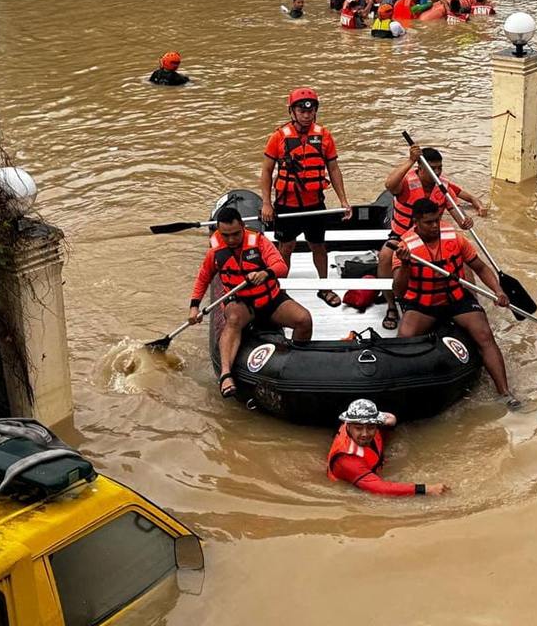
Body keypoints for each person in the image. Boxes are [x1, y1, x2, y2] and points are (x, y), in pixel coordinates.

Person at [393, 198, 515, 402]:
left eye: (436, 220)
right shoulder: (404, 246)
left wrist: (498, 291)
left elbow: (481, 268)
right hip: (424, 303)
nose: (435, 226)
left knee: (484, 335)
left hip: (456, 299)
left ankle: (505, 393)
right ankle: (404, 395)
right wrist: (405, 265)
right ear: (416, 222)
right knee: (404, 341)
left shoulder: (455, 239)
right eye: (429, 222)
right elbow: (398, 289)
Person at [189, 207, 313, 398]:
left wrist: (265, 273)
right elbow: (203, 278)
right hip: (241, 302)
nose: (231, 240)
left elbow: (280, 266)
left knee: (303, 319)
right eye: (226, 235)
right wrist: (194, 306)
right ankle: (226, 375)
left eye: (236, 234)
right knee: (233, 319)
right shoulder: (215, 251)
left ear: (243, 227)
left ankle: (297, 363)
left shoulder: (259, 242)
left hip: (270, 300)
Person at [259, 88, 353, 308]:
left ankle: (325, 287)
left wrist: (343, 200)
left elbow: (334, 169)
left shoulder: (325, 136)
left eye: (311, 110)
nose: (306, 114)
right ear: (292, 112)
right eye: (301, 109)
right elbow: (266, 171)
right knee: (286, 247)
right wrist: (266, 203)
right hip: (287, 205)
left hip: (314, 204)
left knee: (319, 246)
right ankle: (280, 290)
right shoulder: (278, 137)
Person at [376, 144, 486, 330]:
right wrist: (411, 159)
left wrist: (465, 221)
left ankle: (471, 303)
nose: (437, 172)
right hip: (403, 235)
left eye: (439, 168)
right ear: (420, 168)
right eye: (432, 168)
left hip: (433, 234)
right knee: (385, 256)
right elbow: (389, 185)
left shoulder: (442, 186)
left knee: (463, 260)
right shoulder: (406, 184)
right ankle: (391, 306)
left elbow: (456, 213)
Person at [327, 398, 449, 496]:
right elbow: (380, 488)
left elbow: (389, 419)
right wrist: (426, 489)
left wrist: (392, 422)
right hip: (356, 483)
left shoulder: (376, 425)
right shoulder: (347, 460)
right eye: (358, 428)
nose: (365, 434)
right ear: (348, 426)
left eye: (370, 427)